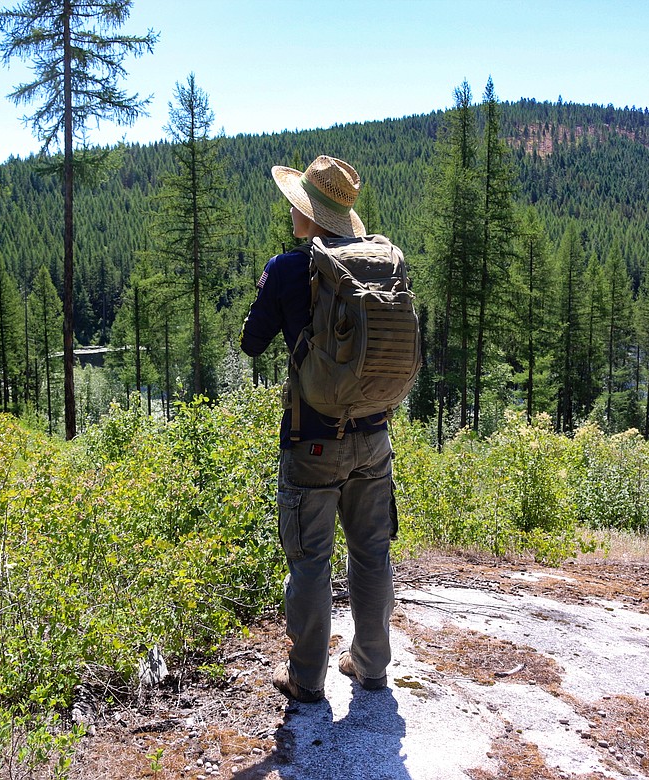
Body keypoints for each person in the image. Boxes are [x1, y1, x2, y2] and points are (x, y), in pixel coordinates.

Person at [240, 155, 398, 703]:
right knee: (371, 551)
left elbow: (250, 343)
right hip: (375, 433)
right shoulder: (373, 267)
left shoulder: (287, 268)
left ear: (305, 212)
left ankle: (307, 679)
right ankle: (372, 666)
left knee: (311, 560)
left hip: (312, 439)